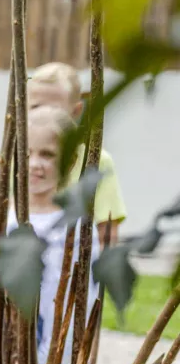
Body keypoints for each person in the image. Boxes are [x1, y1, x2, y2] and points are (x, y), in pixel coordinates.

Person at [7, 106, 100, 364]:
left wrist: (49, 363)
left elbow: (84, 302)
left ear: (70, 161)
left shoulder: (76, 227)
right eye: (27, 153)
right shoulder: (4, 219)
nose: (35, 164)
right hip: (1, 363)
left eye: (47, 154)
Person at [27, 62, 127, 247]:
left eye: (55, 109)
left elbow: (107, 233)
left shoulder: (96, 162)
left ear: (76, 111)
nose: (45, 115)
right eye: (36, 107)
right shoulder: (20, 159)